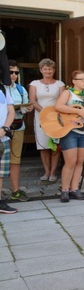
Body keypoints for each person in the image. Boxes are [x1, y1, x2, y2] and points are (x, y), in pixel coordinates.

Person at [55, 70, 84, 203]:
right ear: (73, 81)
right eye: (81, 79)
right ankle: (64, 190)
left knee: (79, 162)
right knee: (70, 162)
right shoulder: (67, 93)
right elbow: (58, 106)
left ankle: (74, 189)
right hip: (70, 131)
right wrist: (77, 110)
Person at [29, 58, 65, 182]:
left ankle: (53, 172)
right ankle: (46, 171)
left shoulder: (59, 84)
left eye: (50, 69)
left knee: (55, 145)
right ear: (41, 70)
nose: (48, 71)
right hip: (41, 117)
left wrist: (53, 114)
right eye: (45, 69)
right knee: (43, 145)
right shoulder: (34, 84)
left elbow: (62, 100)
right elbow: (32, 101)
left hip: (56, 118)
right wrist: (45, 112)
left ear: (54, 70)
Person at [8, 60, 30, 202]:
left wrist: (26, 108)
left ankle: (15, 190)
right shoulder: (1, 89)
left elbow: (25, 107)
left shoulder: (21, 89)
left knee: (15, 160)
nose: (14, 75)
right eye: (11, 72)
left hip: (18, 127)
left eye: (16, 72)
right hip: (2, 129)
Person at [0, 78, 17, 214]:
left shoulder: (3, 89)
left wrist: (5, 128)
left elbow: (11, 111)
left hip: (2, 136)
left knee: (0, 173)